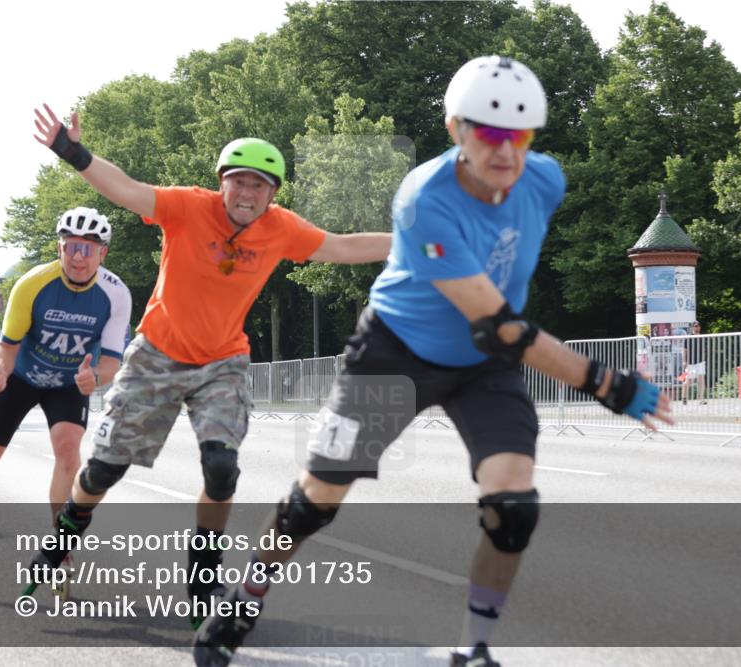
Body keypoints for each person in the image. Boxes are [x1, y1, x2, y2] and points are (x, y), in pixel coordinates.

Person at [191, 56, 674, 667]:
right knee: (315, 501)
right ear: (456, 129)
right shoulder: (424, 199)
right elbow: (502, 324)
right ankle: (243, 598)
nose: (505, 153)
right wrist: (605, 382)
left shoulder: (546, 179)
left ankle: (474, 648)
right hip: (396, 353)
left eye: (519, 136)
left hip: (482, 367)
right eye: (487, 133)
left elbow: (500, 319)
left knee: (513, 507)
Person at [23, 105, 391, 622]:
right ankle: (61, 542)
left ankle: (202, 573)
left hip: (223, 362)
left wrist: (412, 247)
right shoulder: (186, 207)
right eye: (238, 182)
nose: (247, 194)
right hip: (156, 355)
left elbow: (340, 246)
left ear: (273, 194)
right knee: (105, 469)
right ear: (222, 184)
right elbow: (126, 189)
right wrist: (71, 150)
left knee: (221, 469)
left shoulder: (280, 228)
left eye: (259, 186)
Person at [0, 207, 132, 521]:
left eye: (88, 249)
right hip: (20, 376)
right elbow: (7, 345)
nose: (79, 258)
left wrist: (95, 377)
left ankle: (60, 546)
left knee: (69, 451)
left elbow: (111, 360)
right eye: (71, 247)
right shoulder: (32, 284)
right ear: (60, 248)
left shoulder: (117, 294)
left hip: (70, 382)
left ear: (103, 253)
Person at [681, 321, 707, 405]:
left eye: (698, 326)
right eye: (695, 326)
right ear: (692, 327)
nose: (697, 327)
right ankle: (684, 398)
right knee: (689, 381)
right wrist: (684, 361)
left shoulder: (702, 337)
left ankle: (701, 399)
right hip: (691, 363)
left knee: (701, 380)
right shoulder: (688, 337)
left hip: (700, 362)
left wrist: (703, 359)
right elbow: (684, 350)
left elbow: (703, 349)